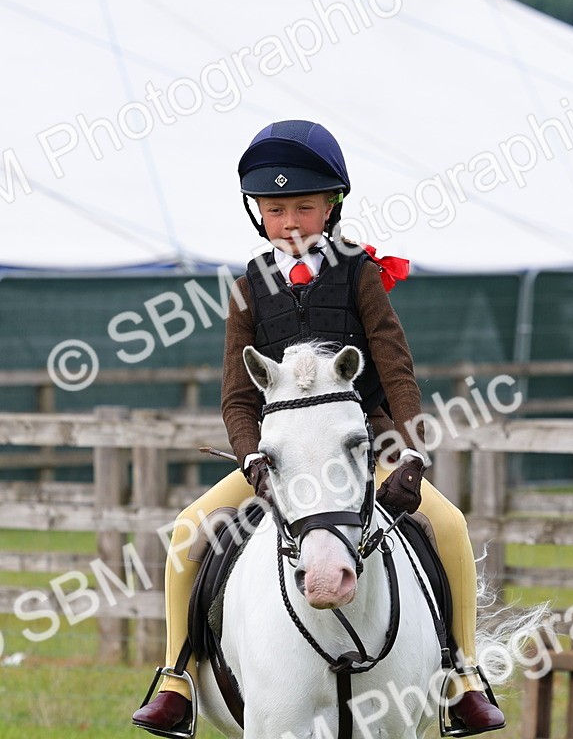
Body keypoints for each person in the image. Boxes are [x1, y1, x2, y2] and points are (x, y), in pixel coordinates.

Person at [132, 120, 505, 736]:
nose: (291, 221)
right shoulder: (247, 287)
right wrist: (251, 456)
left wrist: (410, 454)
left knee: (450, 527)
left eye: (304, 206)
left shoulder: (359, 273)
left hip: (367, 440)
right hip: (279, 454)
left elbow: (396, 367)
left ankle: (463, 675)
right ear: (258, 213)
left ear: (332, 205)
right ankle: (177, 676)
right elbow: (236, 398)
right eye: (275, 209)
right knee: (185, 531)